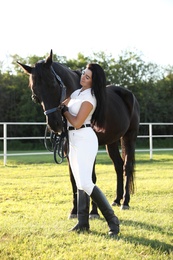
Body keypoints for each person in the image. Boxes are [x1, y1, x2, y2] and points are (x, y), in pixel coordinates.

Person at [61, 63, 119, 236]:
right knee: (79, 182)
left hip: (85, 138)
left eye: (87, 77)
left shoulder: (90, 97)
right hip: (73, 140)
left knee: (86, 182)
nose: (83, 78)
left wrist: (65, 112)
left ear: (94, 82)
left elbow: (77, 121)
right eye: (83, 74)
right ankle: (82, 223)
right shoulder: (76, 93)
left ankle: (112, 221)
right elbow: (61, 106)